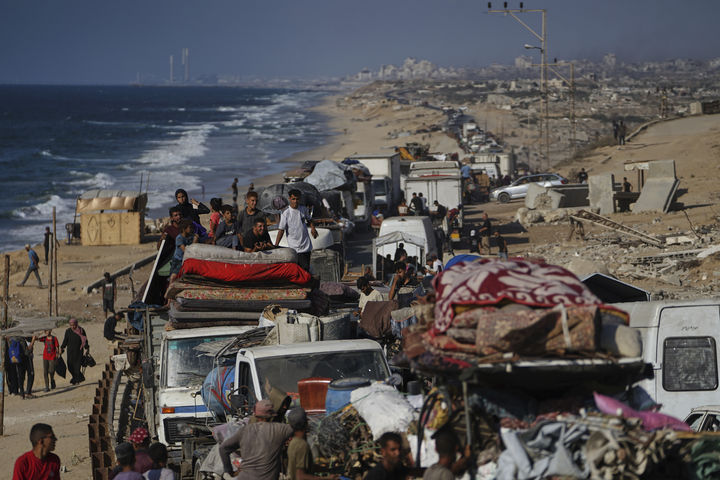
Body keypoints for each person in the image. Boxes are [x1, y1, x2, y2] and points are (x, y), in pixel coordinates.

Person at [218, 399, 293, 480]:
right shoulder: (280, 429)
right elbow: (299, 426)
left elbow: (223, 448)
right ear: (272, 415)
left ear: (255, 415)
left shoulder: (244, 431)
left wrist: (229, 471)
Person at [286, 407, 337, 480]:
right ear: (306, 423)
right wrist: (327, 478)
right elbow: (300, 476)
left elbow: (308, 467)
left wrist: (328, 470)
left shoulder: (294, 442)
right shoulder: (302, 445)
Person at [275, 189, 318, 272]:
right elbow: (281, 230)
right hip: (294, 247)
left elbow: (310, 220)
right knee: (298, 270)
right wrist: (276, 245)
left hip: (306, 246)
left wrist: (313, 228)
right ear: (289, 199)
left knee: (306, 269)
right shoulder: (285, 212)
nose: (295, 201)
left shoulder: (303, 209)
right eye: (293, 199)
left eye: (297, 199)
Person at [60, 318, 89, 385]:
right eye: (71, 325)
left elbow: (84, 340)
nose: (73, 327)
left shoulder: (81, 330)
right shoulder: (68, 331)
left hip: (78, 352)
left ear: (76, 324)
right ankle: (78, 378)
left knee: (77, 367)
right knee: (70, 366)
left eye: (74, 325)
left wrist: (86, 348)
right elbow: (65, 340)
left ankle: (76, 380)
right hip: (70, 352)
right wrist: (62, 347)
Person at [169, 220, 197, 285]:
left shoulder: (190, 237)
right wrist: (194, 241)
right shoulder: (179, 238)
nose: (191, 229)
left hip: (184, 259)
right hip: (178, 260)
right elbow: (186, 251)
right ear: (184, 229)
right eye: (189, 227)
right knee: (173, 276)